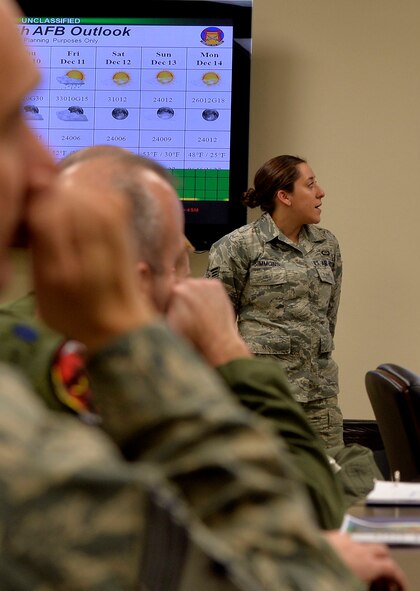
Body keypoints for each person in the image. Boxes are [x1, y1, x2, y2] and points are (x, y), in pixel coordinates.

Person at [0, 1, 361, 587]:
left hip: (315, 396)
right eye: (15, 119)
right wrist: (204, 348)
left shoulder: (327, 245)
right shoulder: (21, 410)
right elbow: (290, 575)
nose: (45, 170)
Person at [1, 145, 406, 589]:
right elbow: (296, 528)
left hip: (315, 390)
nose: (191, 285)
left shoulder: (326, 246)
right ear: (137, 280)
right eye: (179, 261)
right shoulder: (135, 365)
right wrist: (227, 351)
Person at [206, 154, 346, 448]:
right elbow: (215, 332)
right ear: (285, 196)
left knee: (333, 484)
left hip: (320, 402)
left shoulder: (327, 245)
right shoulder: (236, 247)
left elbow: (327, 319)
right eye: (310, 185)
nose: (321, 192)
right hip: (263, 402)